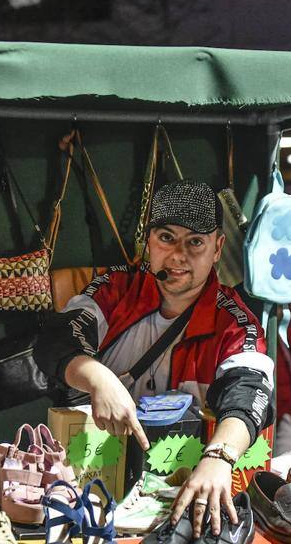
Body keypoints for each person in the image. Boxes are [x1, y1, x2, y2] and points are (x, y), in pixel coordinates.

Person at [35, 180, 274, 539]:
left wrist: (219, 458)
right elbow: (56, 339)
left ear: (217, 248)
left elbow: (250, 391)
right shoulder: (115, 289)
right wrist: (98, 378)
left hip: (186, 492)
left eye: (195, 242)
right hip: (94, 488)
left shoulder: (235, 323)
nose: (178, 255)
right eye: (166, 238)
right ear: (149, 242)